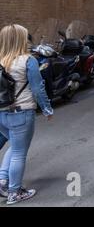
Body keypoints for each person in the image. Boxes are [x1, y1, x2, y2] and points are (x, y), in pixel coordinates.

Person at [0, 24, 53, 205]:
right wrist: (46, 108)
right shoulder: (27, 60)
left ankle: (2, 181)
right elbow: (38, 88)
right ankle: (14, 193)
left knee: (14, 148)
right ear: (21, 39)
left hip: (1, 114)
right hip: (21, 112)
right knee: (19, 153)